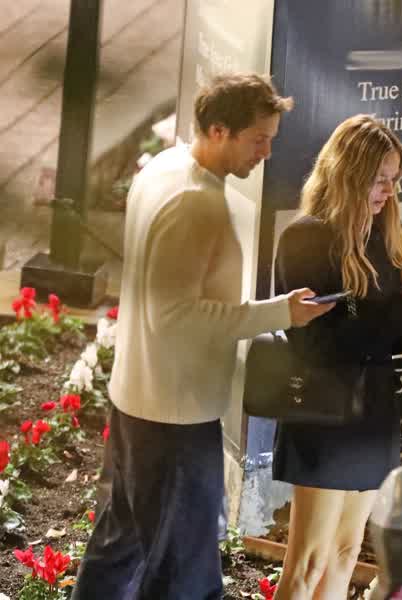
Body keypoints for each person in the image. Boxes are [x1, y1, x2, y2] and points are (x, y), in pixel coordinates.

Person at [71, 73, 334, 600]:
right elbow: (176, 316)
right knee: (183, 576)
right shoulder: (198, 203)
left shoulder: (163, 167)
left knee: (119, 547)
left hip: (135, 401)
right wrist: (278, 313)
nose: (266, 152)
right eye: (258, 139)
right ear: (218, 130)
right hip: (176, 421)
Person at [272, 115, 402, 600]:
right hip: (324, 412)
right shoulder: (306, 238)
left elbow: (387, 341)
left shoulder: (382, 240)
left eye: (394, 179)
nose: (389, 191)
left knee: (345, 552)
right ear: (349, 174)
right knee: (308, 561)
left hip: (372, 412)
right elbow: (319, 344)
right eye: (379, 179)